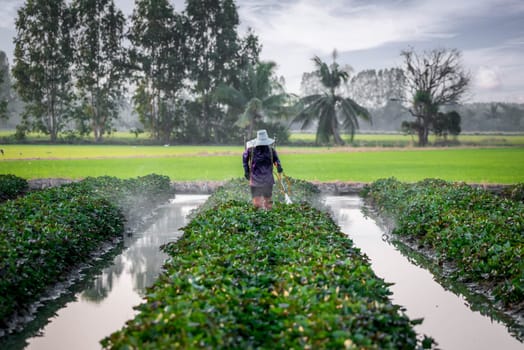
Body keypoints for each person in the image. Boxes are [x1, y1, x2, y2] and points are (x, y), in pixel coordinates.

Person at [242, 130, 283, 210]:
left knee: (268, 203)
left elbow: (276, 160)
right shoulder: (251, 150)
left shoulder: (271, 151)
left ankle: (268, 217)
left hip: (268, 179)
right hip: (255, 179)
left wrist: (278, 166)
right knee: (257, 204)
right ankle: (258, 218)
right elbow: (244, 159)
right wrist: (246, 170)